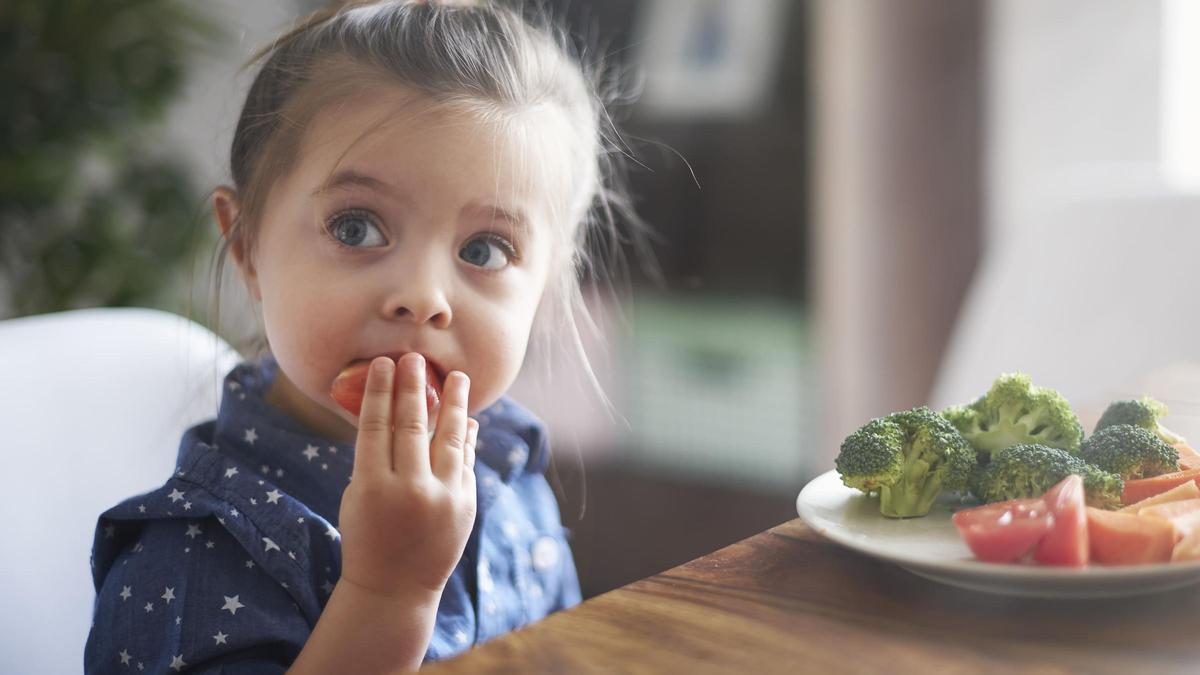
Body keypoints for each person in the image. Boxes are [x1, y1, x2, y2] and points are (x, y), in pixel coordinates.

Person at [84, 1, 640, 671]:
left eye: (486, 249)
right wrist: (388, 593)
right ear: (248, 246)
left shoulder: (509, 468)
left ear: (548, 288)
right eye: (355, 228)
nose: (423, 297)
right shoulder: (192, 558)